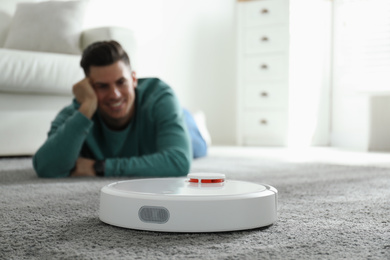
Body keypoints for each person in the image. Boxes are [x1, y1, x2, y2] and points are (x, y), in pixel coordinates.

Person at [33, 41, 207, 178]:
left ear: (133, 79)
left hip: (176, 125)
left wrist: (99, 167)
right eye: (102, 86)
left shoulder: (160, 96)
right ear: (88, 87)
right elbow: (46, 167)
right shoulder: (76, 113)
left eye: (121, 82)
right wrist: (86, 110)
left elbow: (178, 162)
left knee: (197, 147)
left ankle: (193, 119)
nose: (115, 94)